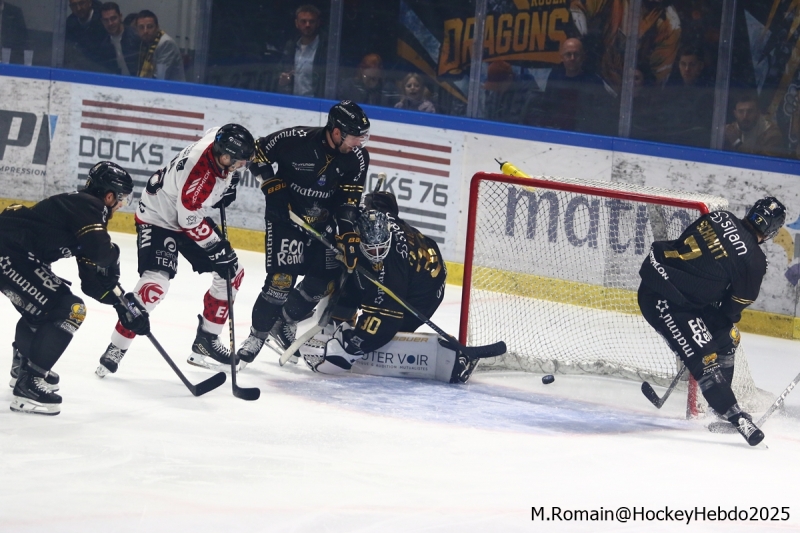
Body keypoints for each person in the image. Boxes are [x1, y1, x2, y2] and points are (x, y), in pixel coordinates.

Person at [95, 124, 254, 377]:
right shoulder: (199, 177)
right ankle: (117, 347)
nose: (240, 166)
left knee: (232, 273)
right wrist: (216, 248)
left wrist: (229, 180)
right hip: (159, 218)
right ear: (223, 155)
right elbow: (188, 220)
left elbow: (215, 131)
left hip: (185, 211)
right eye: (236, 162)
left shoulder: (217, 141)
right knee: (154, 286)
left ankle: (207, 341)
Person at [0, 161, 150, 415]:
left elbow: (91, 282)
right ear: (109, 195)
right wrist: (114, 256)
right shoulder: (89, 205)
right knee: (70, 309)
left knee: (44, 309)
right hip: (10, 254)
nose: (121, 205)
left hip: (17, 256)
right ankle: (29, 383)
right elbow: (101, 253)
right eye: (121, 199)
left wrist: (123, 306)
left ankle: (25, 368)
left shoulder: (82, 215)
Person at [638, 197, 787, 446]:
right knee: (706, 360)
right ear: (772, 231)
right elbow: (732, 309)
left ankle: (718, 409)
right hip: (665, 300)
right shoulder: (754, 261)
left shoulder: (721, 216)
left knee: (728, 337)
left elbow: (698, 255)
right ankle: (736, 416)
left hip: (670, 286)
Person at [235, 101, 371, 366]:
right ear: (336, 131)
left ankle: (284, 322)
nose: (358, 143)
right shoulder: (295, 139)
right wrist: (271, 183)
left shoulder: (357, 158)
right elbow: (256, 152)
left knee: (322, 282)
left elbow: (348, 201)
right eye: (355, 136)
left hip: (323, 224)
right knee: (281, 281)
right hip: (287, 218)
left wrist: (348, 235)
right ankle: (256, 336)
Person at [299, 194, 473, 383]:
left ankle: (450, 358)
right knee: (350, 275)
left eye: (380, 249)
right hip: (417, 262)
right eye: (371, 249)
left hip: (424, 293)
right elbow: (384, 200)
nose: (376, 255)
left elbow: (385, 321)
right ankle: (339, 320)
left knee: (388, 326)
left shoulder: (391, 269)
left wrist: (350, 346)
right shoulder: (376, 220)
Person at [522, 38, 615, 135]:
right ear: (561, 57)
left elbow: (601, 117)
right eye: (568, 54)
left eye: (576, 54)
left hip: (583, 135)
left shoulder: (593, 82)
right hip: (555, 133)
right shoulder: (555, 77)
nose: (572, 58)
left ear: (583, 57)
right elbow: (546, 106)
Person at [276, 5, 327, 97]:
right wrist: (281, 80)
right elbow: (279, 71)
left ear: (318, 23)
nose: (307, 25)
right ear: (297, 23)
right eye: (303, 21)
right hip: (291, 101)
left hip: (316, 102)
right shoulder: (290, 46)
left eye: (312, 21)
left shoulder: (325, 49)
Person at [723, 92, 784, 157]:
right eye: (741, 112)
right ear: (735, 114)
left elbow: (761, 161)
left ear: (758, 113)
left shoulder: (772, 134)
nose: (745, 116)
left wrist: (736, 142)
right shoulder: (732, 130)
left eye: (750, 111)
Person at [135, 9, 185, 82]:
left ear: (157, 27)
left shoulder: (166, 43)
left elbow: (160, 77)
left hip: (169, 88)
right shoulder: (143, 42)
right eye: (141, 27)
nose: (145, 31)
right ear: (137, 30)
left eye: (150, 27)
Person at [64, 0, 113, 72]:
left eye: (81, 3)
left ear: (90, 2)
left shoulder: (104, 19)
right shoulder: (70, 24)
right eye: (74, 5)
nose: (78, 8)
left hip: (105, 69)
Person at [99, 2, 140, 76]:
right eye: (106, 20)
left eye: (113, 18)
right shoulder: (104, 45)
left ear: (120, 16)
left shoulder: (136, 36)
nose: (110, 23)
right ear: (102, 21)